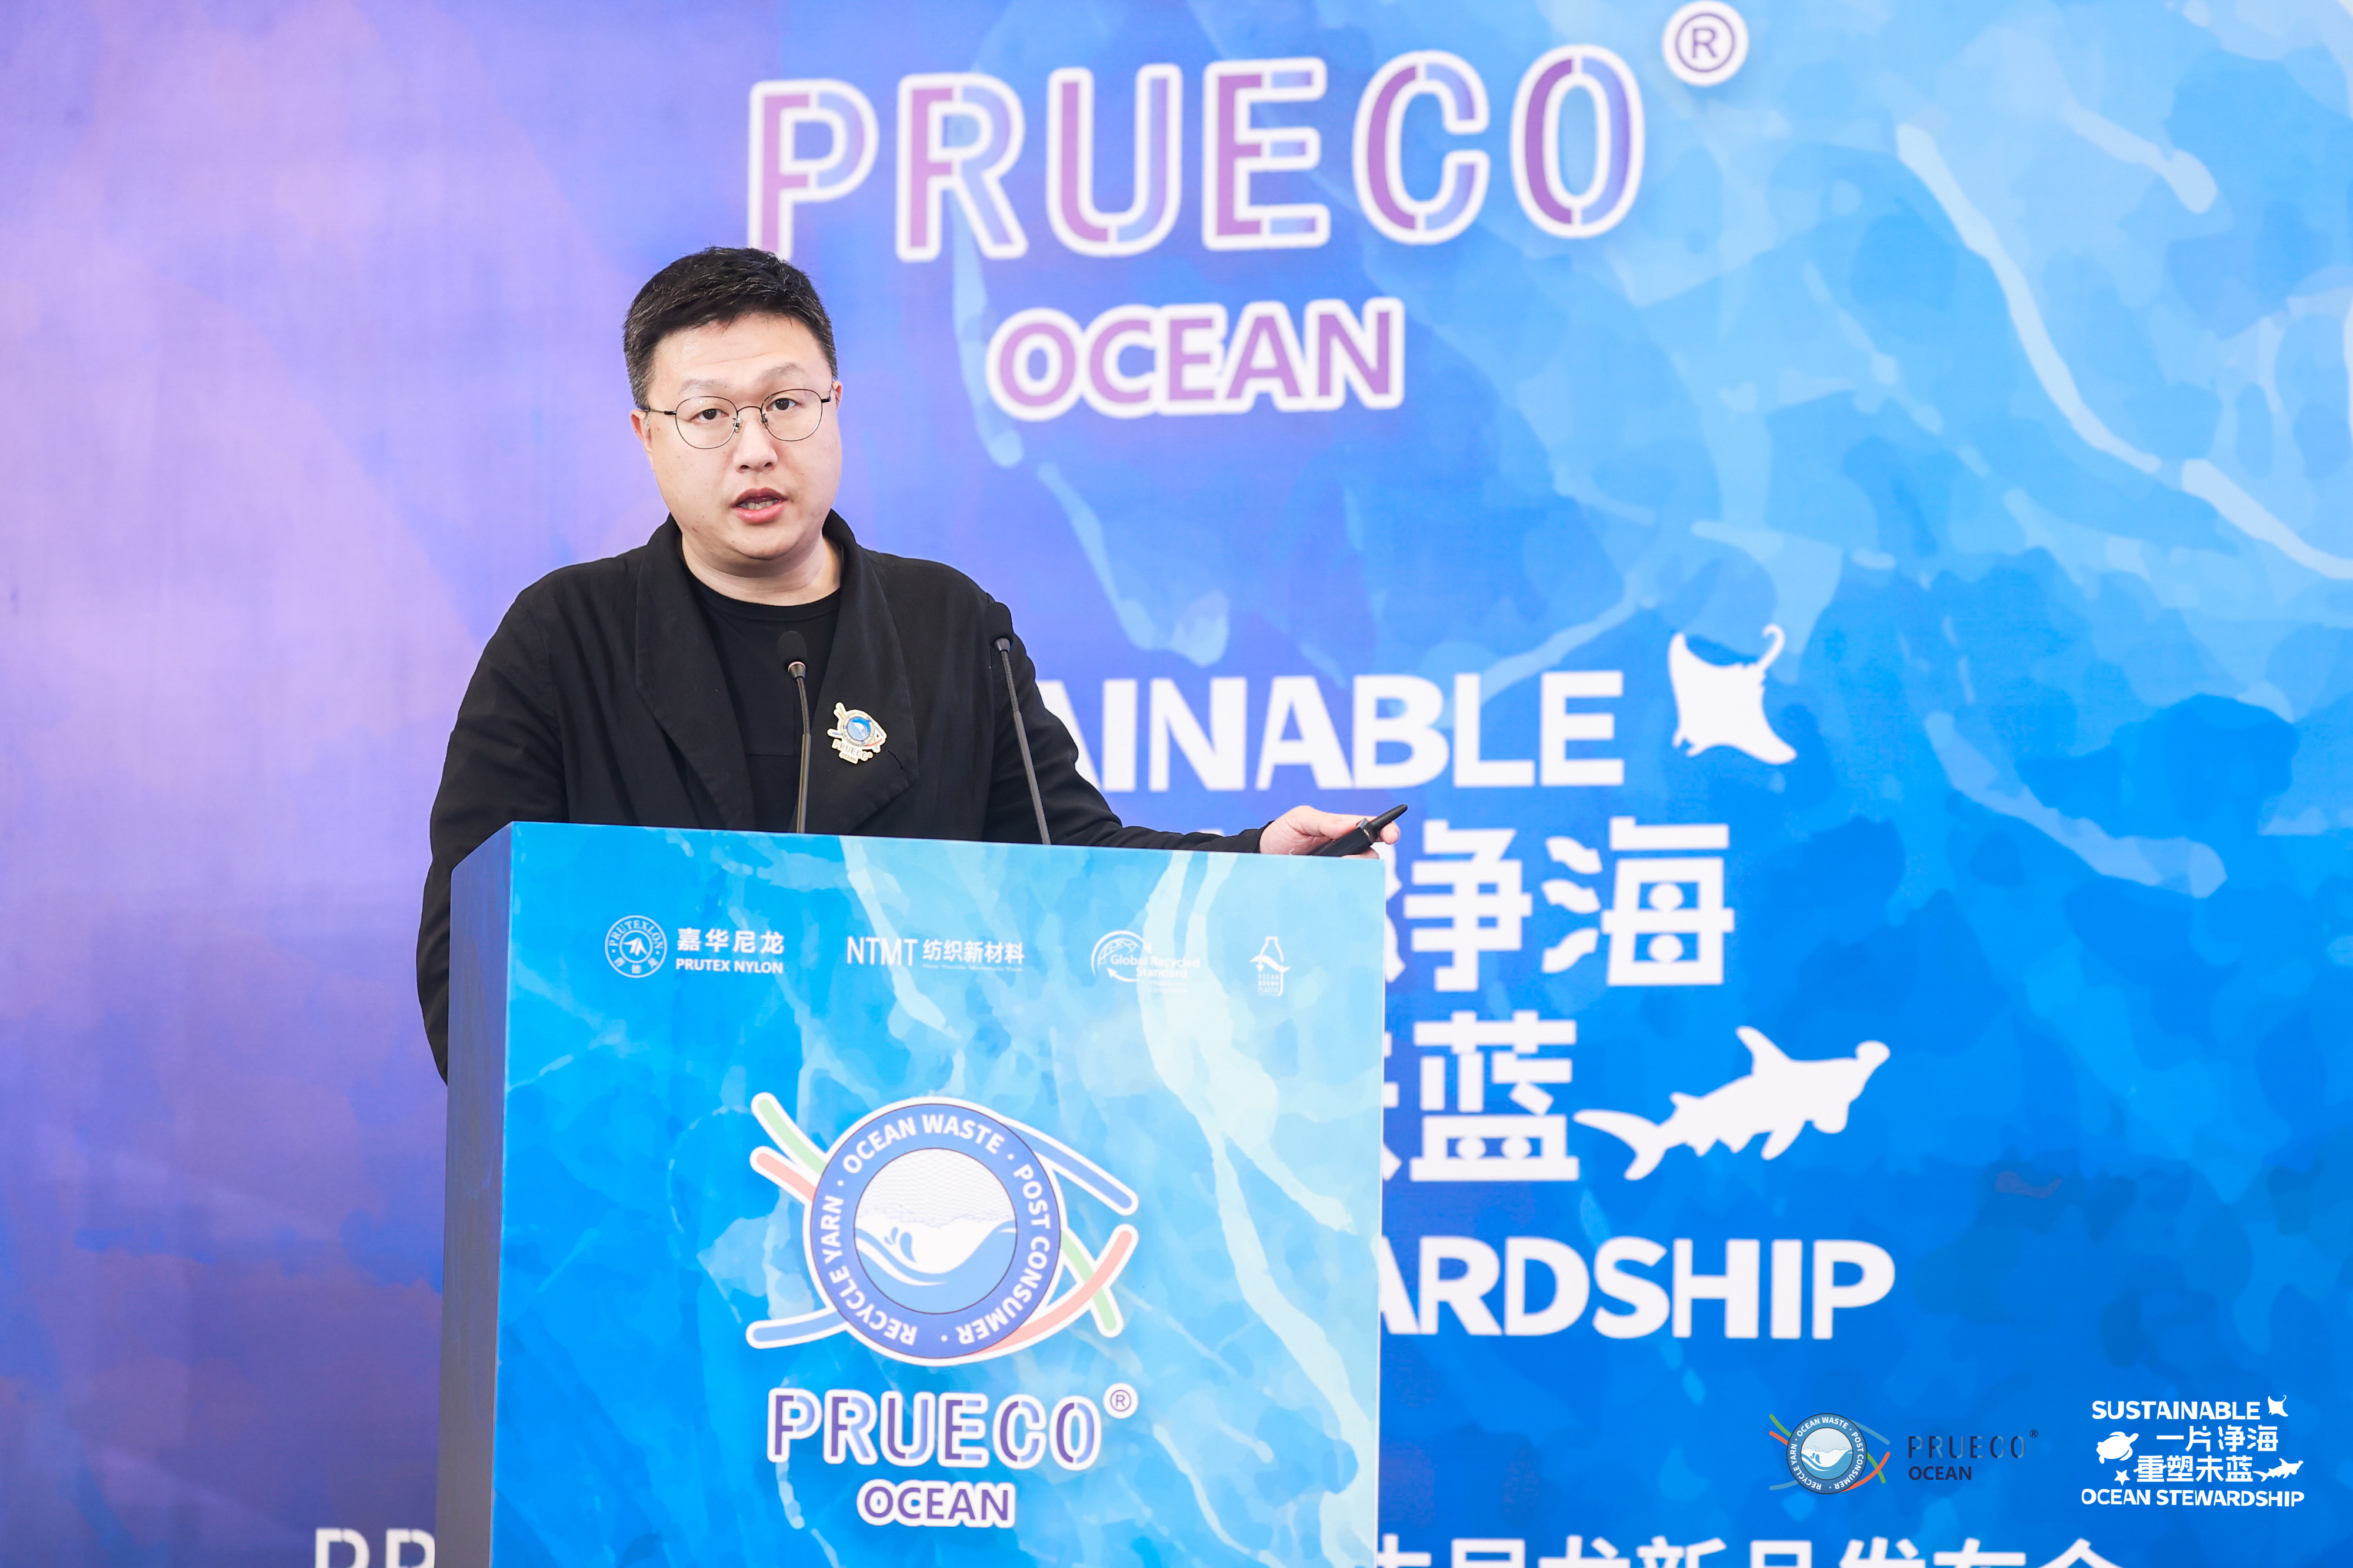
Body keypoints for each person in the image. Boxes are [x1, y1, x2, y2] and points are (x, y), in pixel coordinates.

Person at [415, 246, 1395, 1078]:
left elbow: (1073, 867)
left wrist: (1256, 866)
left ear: (835, 405)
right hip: (644, 1159)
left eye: (786, 404)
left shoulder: (952, 626)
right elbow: (473, 944)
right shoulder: (565, 636)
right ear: (647, 436)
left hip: (906, 1154)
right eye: (709, 415)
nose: (755, 449)